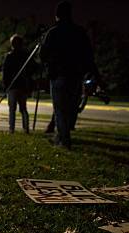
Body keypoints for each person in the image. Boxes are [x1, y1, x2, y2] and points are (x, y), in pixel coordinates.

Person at [40, 0, 96, 148]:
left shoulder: (53, 32)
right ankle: (60, 137)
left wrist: (48, 66)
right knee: (69, 109)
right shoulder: (80, 32)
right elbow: (88, 55)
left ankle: (64, 140)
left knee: (59, 109)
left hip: (59, 75)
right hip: (76, 75)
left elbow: (43, 54)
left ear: (57, 15)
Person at [2, 34, 36, 134]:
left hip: (16, 86)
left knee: (13, 109)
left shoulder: (13, 56)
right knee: (22, 108)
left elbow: (5, 72)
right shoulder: (24, 55)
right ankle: (25, 129)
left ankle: (12, 129)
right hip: (20, 85)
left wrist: (6, 85)